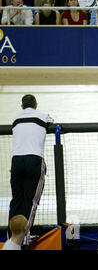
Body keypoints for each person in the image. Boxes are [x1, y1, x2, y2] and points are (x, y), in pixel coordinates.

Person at [8, 95, 53, 245]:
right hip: (34, 160)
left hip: (16, 161)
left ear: (21, 106)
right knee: (31, 201)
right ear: (36, 105)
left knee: (16, 200)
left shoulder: (15, 118)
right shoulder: (42, 116)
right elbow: (51, 122)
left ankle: (12, 236)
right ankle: (25, 238)